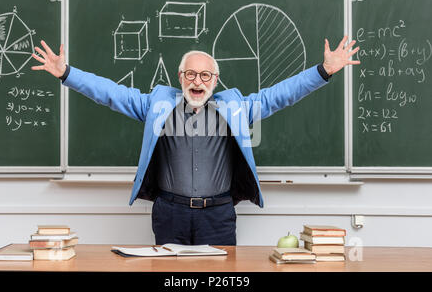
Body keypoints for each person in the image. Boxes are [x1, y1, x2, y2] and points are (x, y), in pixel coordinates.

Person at [31, 36, 359, 245]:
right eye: (190, 74)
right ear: (180, 78)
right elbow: (110, 94)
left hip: (217, 216)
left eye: (205, 75)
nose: (197, 81)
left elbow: (280, 95)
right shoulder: (157, 104)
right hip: (169, 213)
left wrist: (323, 71)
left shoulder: (235, 107)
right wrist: (66, 73)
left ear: (215, 80)